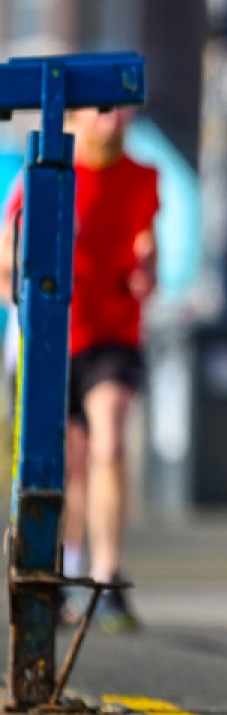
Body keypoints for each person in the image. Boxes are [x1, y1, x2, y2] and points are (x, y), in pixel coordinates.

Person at [1, 107, 158, 633]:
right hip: (53, 334)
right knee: (69, 462)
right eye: (101, 114)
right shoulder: (45, 173)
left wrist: (146, 268)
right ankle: (65, 569)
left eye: (121, 114)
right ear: (73, 117)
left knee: (110, 442)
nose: (112, 125)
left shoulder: (143, 176)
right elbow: (8, 250)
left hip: (113, 334)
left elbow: (144, 240)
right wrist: (18, 298)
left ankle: (108, 575)